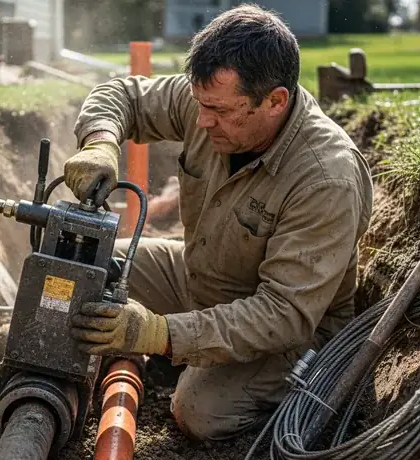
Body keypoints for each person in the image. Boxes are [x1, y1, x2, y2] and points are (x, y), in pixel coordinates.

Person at [66, 4, 374, 441]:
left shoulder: (326, 178)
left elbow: (283, 314)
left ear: (276, 101)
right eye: (199, 104)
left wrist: (158, 333)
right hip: (202, 279)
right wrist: (99, 142)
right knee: (84, 261)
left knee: (200, 412)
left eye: (221, 111)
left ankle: (288, 397)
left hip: (285, 332)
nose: (202, 120)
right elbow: (125, 95)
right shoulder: (210, 100)